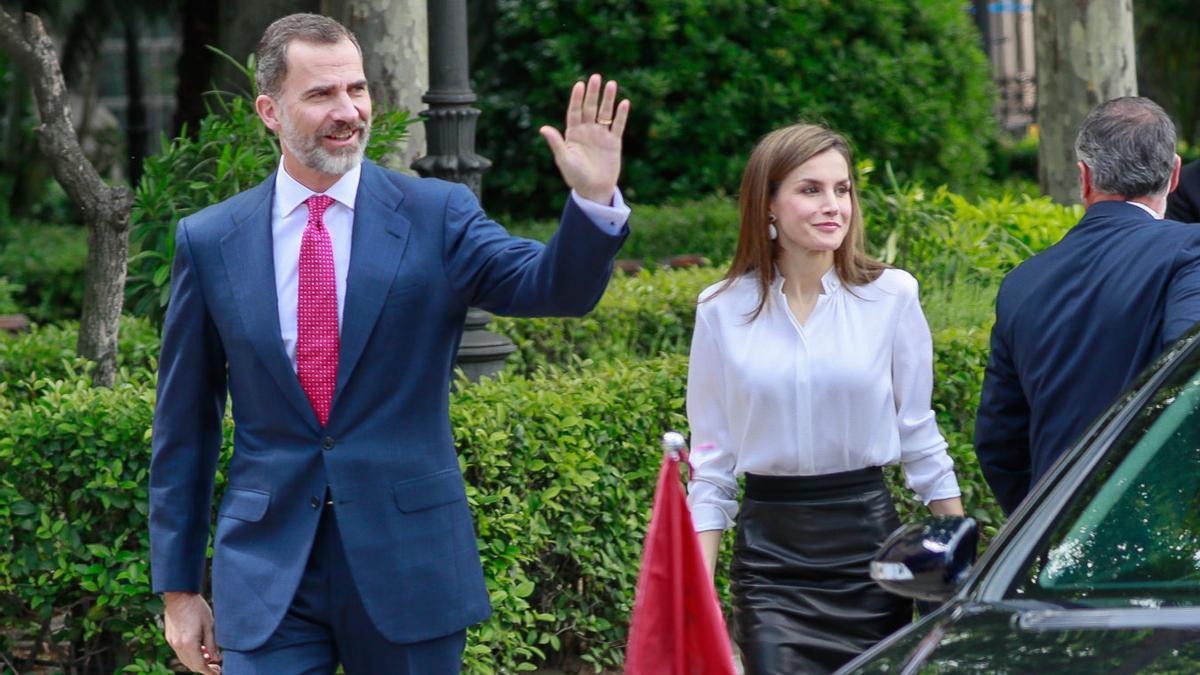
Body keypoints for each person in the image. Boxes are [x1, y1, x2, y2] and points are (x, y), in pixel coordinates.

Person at [148, 13, 631, 675]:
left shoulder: (438, 214)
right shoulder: (210, 240)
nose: (348, 111)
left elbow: (553, 288)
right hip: (267, 573)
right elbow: (184, 425)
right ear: (269, 110)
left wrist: (594, 200)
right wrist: (179, 589)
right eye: (321, 95)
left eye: (357, 89)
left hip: (410, 565)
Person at [685, 123, 964, 674]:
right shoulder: (720, 310)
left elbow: (919, 436)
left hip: (869, 551)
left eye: (842, 189)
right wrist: (699, 596)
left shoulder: (892, 296)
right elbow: (712, 466)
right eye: (810, 189)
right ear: (767, 205)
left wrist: (960, 555)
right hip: (770, 563)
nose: (832, 205)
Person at [975, 97, 1196, 516]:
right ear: (1174, 174)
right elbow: (1188, 379)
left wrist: (1043, 528)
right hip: (1164, 528)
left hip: (1055, 537)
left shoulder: (1022, 282)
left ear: (1085, 177)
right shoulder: (1191, 253)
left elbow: (998, 442)